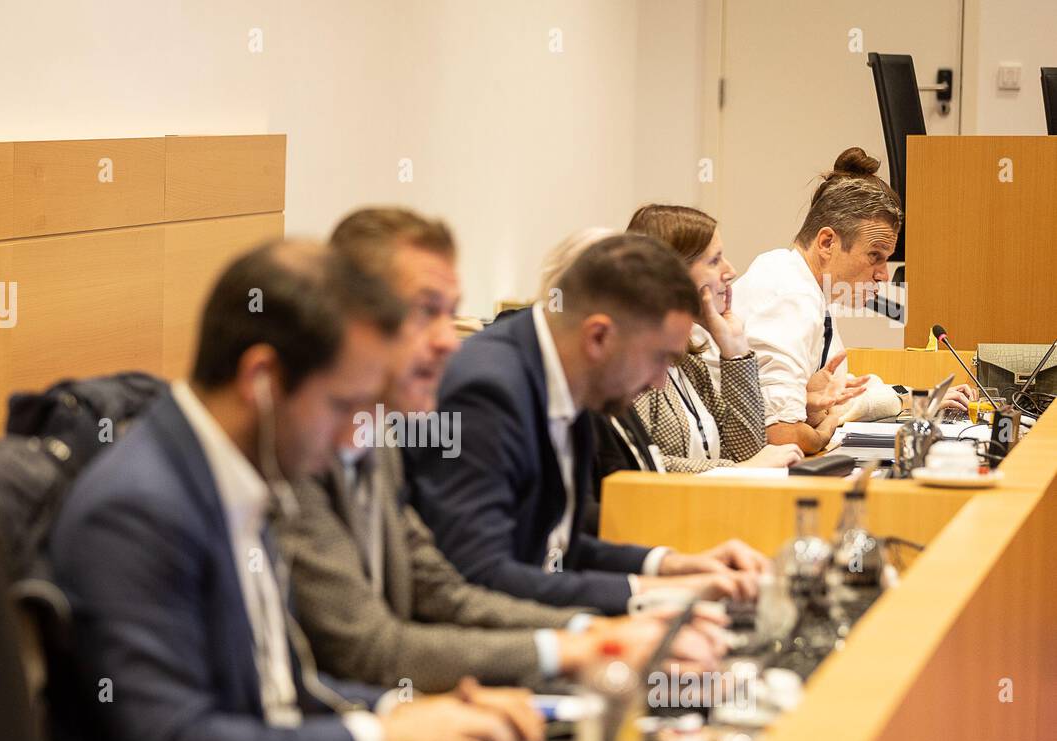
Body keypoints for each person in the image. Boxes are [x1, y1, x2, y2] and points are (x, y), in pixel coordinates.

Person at [49, 240, 542, 741]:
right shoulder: (140, 508)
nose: (349, 438)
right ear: (261, 379)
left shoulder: (241, 474)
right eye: (342, 406)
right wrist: (378, 739)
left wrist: (411, 710)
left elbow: (281, 694)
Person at [277, 208, 729, 694]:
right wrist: (597, 635)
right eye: (426, 313)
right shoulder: (305, 447)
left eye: (450, 314)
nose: (450, 342)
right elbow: (379, 641)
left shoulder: (377, 435)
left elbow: (445, 589)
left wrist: (600, 628)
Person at [405, 232, 769, 617]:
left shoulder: (571, 378)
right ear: (598, 337)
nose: (660, 381)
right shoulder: (487, 389)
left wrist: (673, 565)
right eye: (660, 358)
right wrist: (660, 594)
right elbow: (482, 576)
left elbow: (558, 549)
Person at [737, 147, 974, 455]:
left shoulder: (803, 285)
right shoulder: (788, 296)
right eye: (875, 256)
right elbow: (782, 435)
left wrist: (916, 400)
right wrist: (823, 432)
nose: (883, 276)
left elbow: (835, 397)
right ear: (826, 242)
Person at [623, 205, 803, 473]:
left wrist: (735, 349)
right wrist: (737, 472)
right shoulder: (630, 364)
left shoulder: (688, 362)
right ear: (673, 274)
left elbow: (748, 449)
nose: (730, 270)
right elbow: (640, 464)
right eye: (714, 260)